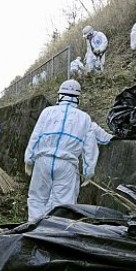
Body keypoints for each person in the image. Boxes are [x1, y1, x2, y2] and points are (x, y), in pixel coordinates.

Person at [24, 79, 99, 222]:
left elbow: (36, 136)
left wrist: (29, 159)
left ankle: (34, 230)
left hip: (43, 160)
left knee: (37, 198)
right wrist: (88, 172)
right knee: (63, 203)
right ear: (77, 98)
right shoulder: (84, 118)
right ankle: (54, 235)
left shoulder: (47, 112)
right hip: (67, 164)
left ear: (60, 95)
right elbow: (90, 148)